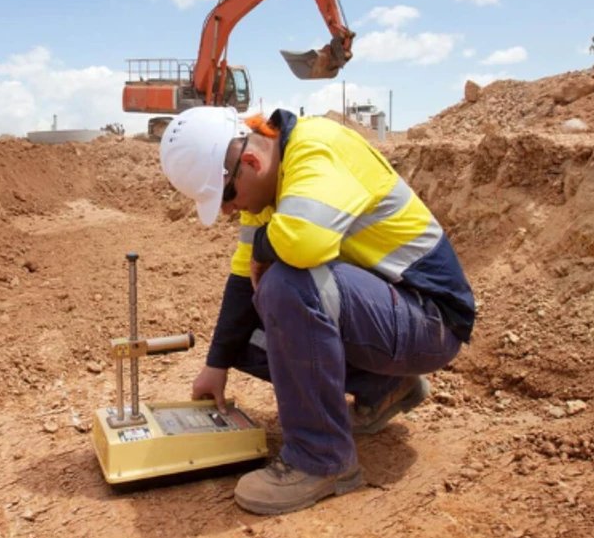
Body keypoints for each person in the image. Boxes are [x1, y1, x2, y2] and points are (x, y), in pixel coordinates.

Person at [158, 106, 477, 515]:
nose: (227, 212)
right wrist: (217, 363)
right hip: (391, 316)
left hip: (431, 319)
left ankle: (320, 458)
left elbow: (303, 243)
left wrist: (262, 252)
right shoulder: (269, 185)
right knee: (246, 334)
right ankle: (385, 388)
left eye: (225, 198)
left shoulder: (315, 149)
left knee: (287, 283)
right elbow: (242, 279)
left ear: (251, 162)